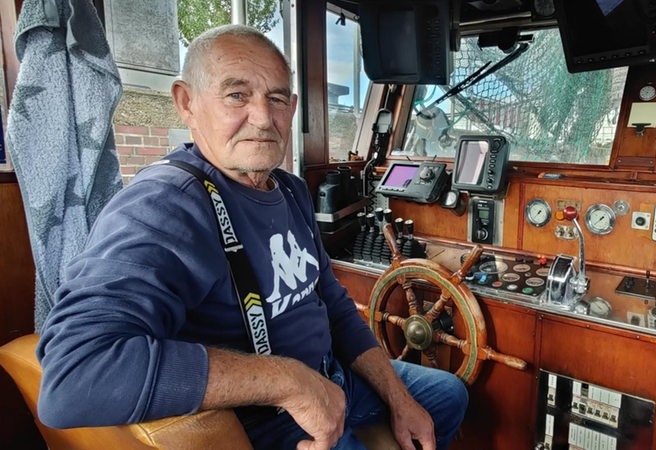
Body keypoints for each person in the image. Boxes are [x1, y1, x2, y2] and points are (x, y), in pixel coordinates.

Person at [36, 24, 468, 450]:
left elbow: (334, 307)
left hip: (333, 375)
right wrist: (289, 382)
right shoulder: (162, 208)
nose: (262, 119)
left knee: (447, 396)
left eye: (276, 98)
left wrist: (397, 397)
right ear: (186, 103)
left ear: (293, 107)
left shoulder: (290, 188)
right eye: (237, 95)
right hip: (267, 417)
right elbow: (74, 375)